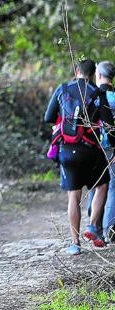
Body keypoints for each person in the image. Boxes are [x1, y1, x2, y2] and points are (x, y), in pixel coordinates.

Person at [44, 59, 115, 255]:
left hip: (67, 151)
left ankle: (75, 244)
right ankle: (92, 226)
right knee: (102, 185)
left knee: (73, 198)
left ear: (76, 71)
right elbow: (108, 125)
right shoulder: (97, 92)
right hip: (91, 151)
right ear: (94, 74)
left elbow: (48, 117)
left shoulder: (63, 88)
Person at [87, 61, 115, 241]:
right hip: (113, 147)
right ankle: (110, 230)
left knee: (94, 185)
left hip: (95, 146)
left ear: (98, 75)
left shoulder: (92, 96)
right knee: (112, 187)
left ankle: (94, 227)